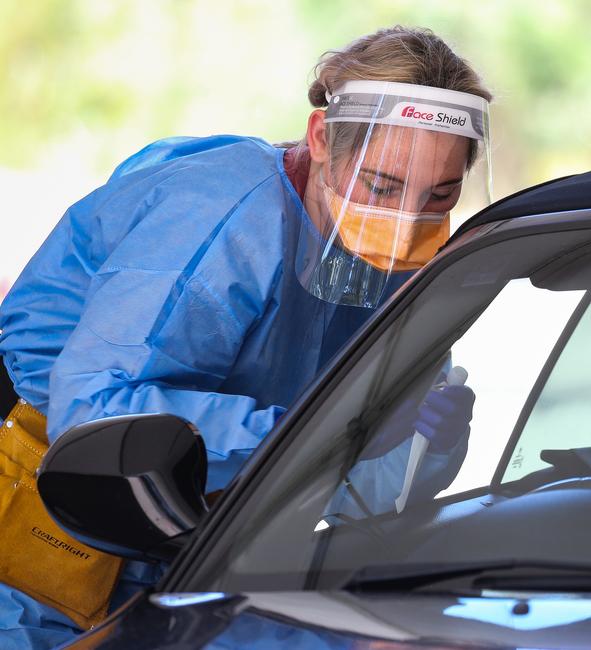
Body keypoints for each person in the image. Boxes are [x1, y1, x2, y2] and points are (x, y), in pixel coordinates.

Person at [0, 26, 492, 649]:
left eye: (440, 195)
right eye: (382, 187)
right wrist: (325, 431)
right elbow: (92, 410)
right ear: (321, 140)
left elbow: (356, 486)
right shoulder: (223, 220)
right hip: (63, 523)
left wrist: (423, 445)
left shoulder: (388, 267)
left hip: (221, 533)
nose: (405, 222)